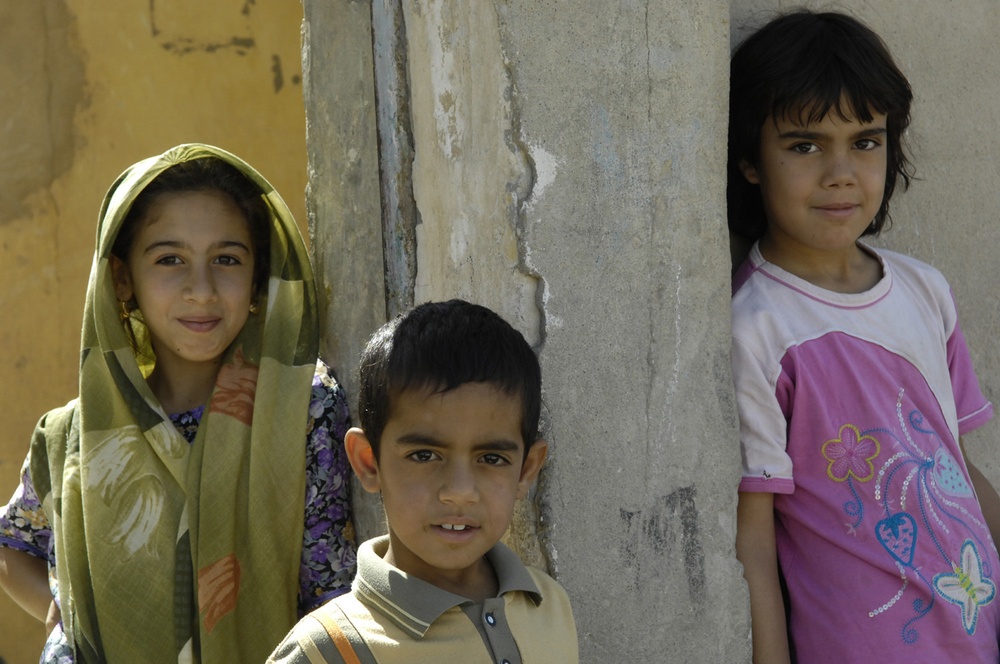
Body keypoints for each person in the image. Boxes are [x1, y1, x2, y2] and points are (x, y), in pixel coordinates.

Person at [0, 144, 356, 662]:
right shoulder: (72, 435)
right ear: (122, 279)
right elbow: (12, 546)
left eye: (227, 259)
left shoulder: (299, 410)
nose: (202, 289)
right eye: (170, 260)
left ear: (257, 279)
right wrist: (65, 615)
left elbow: (331, 592)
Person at [729, 10, 1000, 663]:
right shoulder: (758, 328)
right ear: (749, 160)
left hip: (974, 625)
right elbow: (756, 542)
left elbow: (957, 464)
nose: (840, 173)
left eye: (865, 141)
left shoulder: (922, 289)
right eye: (804, 145)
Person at [268, 299, 578, 663]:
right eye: (425, 455)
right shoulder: (329, 649)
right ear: (369, 463)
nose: (459, 492)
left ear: (526, 470)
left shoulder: (550, 606)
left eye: (491, 459)